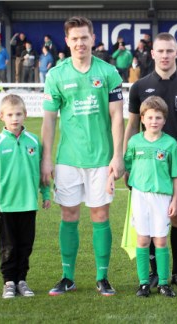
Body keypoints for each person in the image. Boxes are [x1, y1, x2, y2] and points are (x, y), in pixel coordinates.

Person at [41, 16, 124, 297]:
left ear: (92, 39)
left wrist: (118, 156)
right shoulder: (56, 74)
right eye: (74, 39)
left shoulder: (109, 72)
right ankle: (68, 276)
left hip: (101, 159)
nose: (80, 43)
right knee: (69, 214)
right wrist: (47, 158)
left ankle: (102, 277)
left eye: (84, 38)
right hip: (67, 159)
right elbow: (49, 120)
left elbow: (117, 117)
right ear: (67, 41)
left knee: (100, 215)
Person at [125, 32, 177, 291]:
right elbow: (132, 125)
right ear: (153, 54)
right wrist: (127, 162)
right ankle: (152, 272)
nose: (165, 55)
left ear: (176, 53)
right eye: (160, 51)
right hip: (147, 162)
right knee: (147, 220)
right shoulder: (140, 87)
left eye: (169, 51)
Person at [0, 94, 51, 299]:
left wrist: (46, 194)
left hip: (29, 204)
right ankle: (9, 282)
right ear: (1, 116)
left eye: (19, 114)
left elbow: (42, 172)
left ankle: (22, 280)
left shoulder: (33, 142)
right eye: (10, 114)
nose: (15, 118)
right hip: (6, 205)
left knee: (25, 245)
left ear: (26, 115)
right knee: (8, 246)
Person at [124, 96, 177, 298]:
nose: (154, 121)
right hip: (140, 197)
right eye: (150, 117)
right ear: (142, 118)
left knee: (161, 241)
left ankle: (164, 283)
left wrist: (174, 200)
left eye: (158, 117)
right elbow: (127, 167)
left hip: (162, 198)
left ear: (164, 120)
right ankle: (143, 284)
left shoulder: (170, 144)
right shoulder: (134, 141)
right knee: (142, 239)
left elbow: (176, 174)